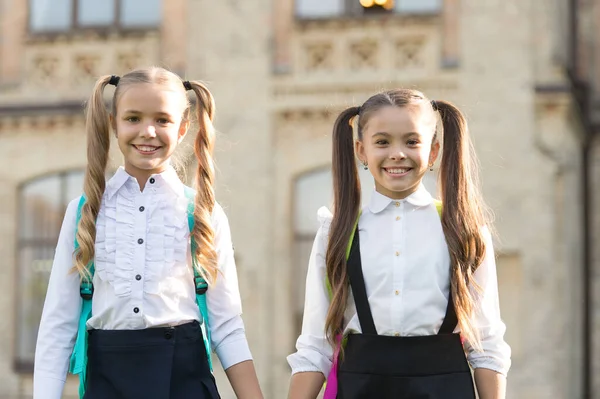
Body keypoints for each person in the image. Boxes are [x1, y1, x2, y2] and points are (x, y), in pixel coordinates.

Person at [33, 67, 263, 399]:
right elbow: (58, 327)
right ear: (113, 123)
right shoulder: (84, 213)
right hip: (107, 383)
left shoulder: (203, 213)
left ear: (183, 127)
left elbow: (227, 326)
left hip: (184, 382)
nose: (148, 131)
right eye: (134, 119)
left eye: (162, 120)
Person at [287, 89, 511, 399]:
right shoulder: (336, 232)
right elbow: (315, 346)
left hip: (445, 388)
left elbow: (487, 344)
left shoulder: (464, 230)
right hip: (360, 388)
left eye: (411, 141)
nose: (397, 153)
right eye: (382, 142)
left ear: (433, 152)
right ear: (361, 150)